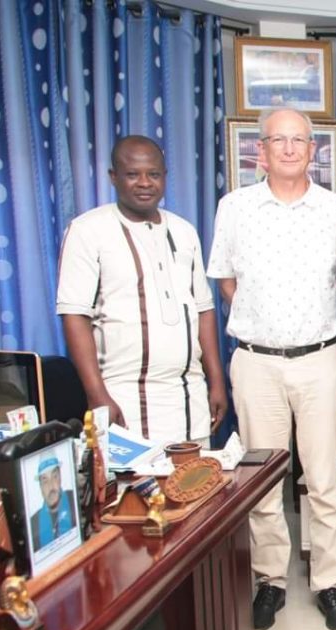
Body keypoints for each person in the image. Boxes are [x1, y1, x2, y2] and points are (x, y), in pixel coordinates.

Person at [207, 108, 336, 630]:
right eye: (279, 140)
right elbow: (227, 282)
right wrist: (264, 323)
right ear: (261, 150)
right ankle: (270, 581)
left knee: (324, 479)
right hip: (256, 363)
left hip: (321, 361)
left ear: (313, 150)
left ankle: (329, 582)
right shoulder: (235, 208)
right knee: (263, 482)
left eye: (299, 140)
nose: (290, 148)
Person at [57, 135, 227, 447]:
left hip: (189, 397)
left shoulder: (184, 231)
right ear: (114, 177)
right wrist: (97, 395)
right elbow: (74, 315)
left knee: (197, 477)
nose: (145, 183)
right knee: (136, 480)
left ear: (165, 177)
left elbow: (203, 310)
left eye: (154, 174)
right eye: (133, 174)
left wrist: (216, 382)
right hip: (122, 398)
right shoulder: (87, 230)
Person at [29, 456, 77, 551]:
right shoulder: (33, 524)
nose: (51, 486)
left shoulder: (75, 499)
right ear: (40, 487)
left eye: (54, 477)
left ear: (60, 478)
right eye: (45, 480)